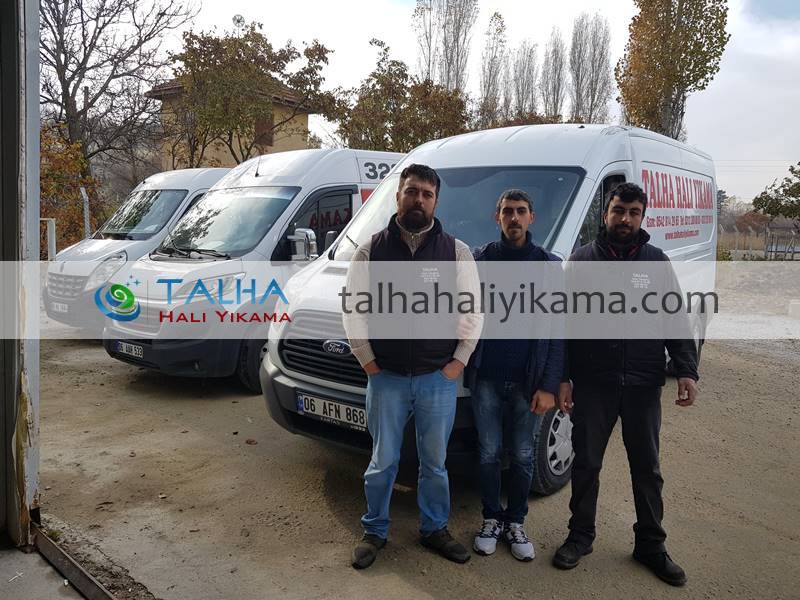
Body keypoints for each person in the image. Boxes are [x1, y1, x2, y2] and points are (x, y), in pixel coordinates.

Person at [553, 182, 699, 586]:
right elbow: (563, 325)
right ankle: (580, 536)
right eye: (619, 210)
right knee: (586, 464)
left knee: (647, 469)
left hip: (643, 384)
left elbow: (675, 319)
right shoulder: (580, 262)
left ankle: (651, 544)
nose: (625, 219)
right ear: (606, 213)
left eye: (634, 212)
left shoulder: (657, 262)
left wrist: (687, 370)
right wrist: (562, 377)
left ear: (642, 217)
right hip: (593, 382)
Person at [343, 163, 483, 569]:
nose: (418, 199)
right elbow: (354, 309)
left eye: (427, 193)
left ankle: (434, 528)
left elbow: (473, 310)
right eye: (412, 191)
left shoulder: (456, 252)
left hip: (436, 378)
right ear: (398, 195)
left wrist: (458, 362)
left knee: (434, 463)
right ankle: (374, 530)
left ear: (436, 201)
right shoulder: (370, 250)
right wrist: (368, 361)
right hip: (385, 378)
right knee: (382, 461)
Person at [464, 189, 565, 561]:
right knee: (488, 453)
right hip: (486, 379)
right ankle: (491, 519)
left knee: (523, 455)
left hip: (528, 382)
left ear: (532, 217)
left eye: (521, 211)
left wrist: (549, 385)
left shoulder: (549, 266)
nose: (514, 218)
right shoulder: (480, 261)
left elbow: (558, 331)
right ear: (498, 217)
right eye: (507, 211)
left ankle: (516, 523)